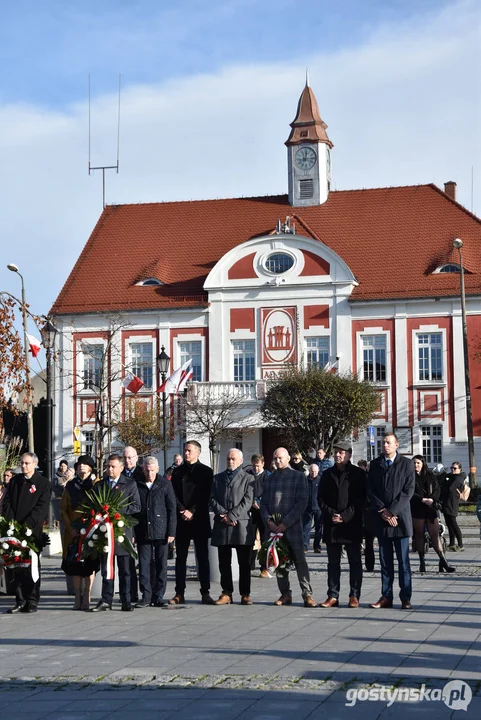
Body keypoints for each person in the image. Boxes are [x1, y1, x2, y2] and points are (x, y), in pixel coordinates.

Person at [260, 447, 317, 607]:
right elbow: (263, 503)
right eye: (275, 458)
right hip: (274, 529)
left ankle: (307, 594)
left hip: (292, 528)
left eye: (280, 458)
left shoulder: (298, 477)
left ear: (287, 459)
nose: (277, 461)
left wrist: (286, 523)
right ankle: (285, 594)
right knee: (280, 563)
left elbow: (302, 503)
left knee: (300, 562)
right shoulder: (269, 479)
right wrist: (269, 521)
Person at [367, 433, 415, 610]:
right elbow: (370, 491)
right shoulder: (375, 464)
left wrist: (392, 511)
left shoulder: (406, 464)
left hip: (400, 520)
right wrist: (383, 512)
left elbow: (408, 491)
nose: (385, 445)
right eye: (383, 442)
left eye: (389, 442)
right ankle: (386, 595)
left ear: (396, 445)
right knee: (385, 561)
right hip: (383, 520)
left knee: (403, 562)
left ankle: (405, 597)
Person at [318, 442, 366, 608]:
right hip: (332, 524)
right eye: (336, 452)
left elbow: (362, 499)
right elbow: (320, 499)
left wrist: (345, 516)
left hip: (351, 524)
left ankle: (354, 595)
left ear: (349, 455)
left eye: (342, 453)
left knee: (354, 561)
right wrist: (332, 514)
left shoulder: (358, 474)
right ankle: (332, 595)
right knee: (333, 562)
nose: (338, 455)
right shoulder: (327, 474)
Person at [91, 453, 141, 612]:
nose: (110, 469)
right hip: (105, 533)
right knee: (107, 568)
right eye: (108, 466)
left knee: (125, 569)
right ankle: (106, 600)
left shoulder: (130, 484)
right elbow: (94, 506)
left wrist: (115, 512)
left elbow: (136, 506)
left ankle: (126, 600)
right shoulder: (100, 485)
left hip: (122, 532)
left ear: (121, 468)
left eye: (113, 466)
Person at [2, 452, 51, 614]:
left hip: (31, 532)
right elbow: (7, 503)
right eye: (22, 463)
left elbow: (41, 508)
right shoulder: (15, 481)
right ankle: (19, 600)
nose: (24, 466)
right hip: (14, 530)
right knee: (15, 566)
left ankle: (32, 600)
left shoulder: (43, 484)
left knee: (31, 568)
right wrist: (11, 524)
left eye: (27, 463)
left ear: (35, 464)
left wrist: (27, 526)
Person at [169, 440, 215, 605]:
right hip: (182, 519)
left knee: (202, 557)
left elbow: (206, 495)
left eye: (189, 451)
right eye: (185, 450)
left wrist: (193, 510)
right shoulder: (177, 472)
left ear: (197, 452)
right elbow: (172, 493)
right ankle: (179, 592)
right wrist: (182, 510)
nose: (186, 453)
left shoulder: (206, 471)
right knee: (180, 557)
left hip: (199, 518)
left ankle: (205, 592)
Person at [210, 449, 254, 605]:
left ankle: (245, 593)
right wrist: (223, 514)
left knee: (244, 562)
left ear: (241, 461)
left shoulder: (249, 478)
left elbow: (248, 501)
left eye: (234, 459)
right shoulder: (217, 478)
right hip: (222, 525)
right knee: (224, 562)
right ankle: (226, 592)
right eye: (228, 459)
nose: (230, 461)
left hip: (241, 525)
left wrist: (232, 516)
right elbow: (212, 498)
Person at [133, 457, 176, 608]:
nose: (150, 473)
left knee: (161, 564)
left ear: (157, 469)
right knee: (144, 564)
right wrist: (133, 532)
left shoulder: (165, 484)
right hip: (143, 530)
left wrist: (171, 531)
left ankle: (158, 596)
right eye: (147, 470)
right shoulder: (137, 484)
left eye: (152, 470)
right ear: (143, 469)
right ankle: (146, 595)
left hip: (161, 530)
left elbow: (171, 509)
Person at [60, 455, 99, 610]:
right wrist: (71, 528)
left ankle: (87, 595)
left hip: (91, 530)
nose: (81, 466)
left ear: (90, 467)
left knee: (89, 564)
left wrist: (92, 527)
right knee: (75, 565)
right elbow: (63, 509)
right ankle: (77, 596)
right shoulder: (70, 486)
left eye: (85, 464)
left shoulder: (96, 484)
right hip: (73, 532)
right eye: (79, 464)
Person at [411, 455, 455, 574]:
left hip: (430, 508)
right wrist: (421, 499)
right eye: (414, 463)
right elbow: (410, 491)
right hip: (417, 508)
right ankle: (422, 562)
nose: (416, 465)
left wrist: (432, 499)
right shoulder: (410, 476)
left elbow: (437, 489)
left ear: (423, 464)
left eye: (418, 463)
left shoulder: (430, 475)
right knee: (419, 535)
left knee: (435, 535)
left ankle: (443, 561)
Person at [122, 446, 144, 603]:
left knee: (145, 560)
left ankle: (147, 593)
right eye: (125, 458)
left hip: (142, 522)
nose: (128, 461)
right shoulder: (119, 474)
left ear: (137, 458)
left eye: (130, 457)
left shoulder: (143, 474)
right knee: (128, 561)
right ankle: (131, 593)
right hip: (124, 524)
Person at [246, 453, 269, 577]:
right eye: (254, 466)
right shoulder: (248, 476)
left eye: (258, 466)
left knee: (265, 539)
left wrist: (259, 501)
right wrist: (253, 500)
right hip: (250, 510)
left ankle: (264, 567)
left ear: (263, 464)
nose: (256, 469)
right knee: (250, 538)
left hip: (263, 512)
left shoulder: (268, 476)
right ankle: (249, 564)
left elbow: (269, 492)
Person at [440, 461, 466, 552]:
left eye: (455, 468)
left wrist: (446, 481)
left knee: (454, 524)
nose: (452, 470)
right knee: (449, 524)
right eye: (451, 468)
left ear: (460, 469)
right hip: (446, 503)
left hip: (452, 503)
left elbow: (450, 489)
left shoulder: (458, 479)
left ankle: (460, 545)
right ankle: (452, 544)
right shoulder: (452, 477)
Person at [303, 464, 323, 553]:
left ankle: (317, 546)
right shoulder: (305, 480)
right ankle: (305, 546)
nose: (313, 473)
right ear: (309, 471)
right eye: (312, 471)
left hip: (318, 507)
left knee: (319, 528)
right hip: (307, 507)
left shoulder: (321, 480)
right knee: (306, 527)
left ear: (318, 471)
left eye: (315, 471)